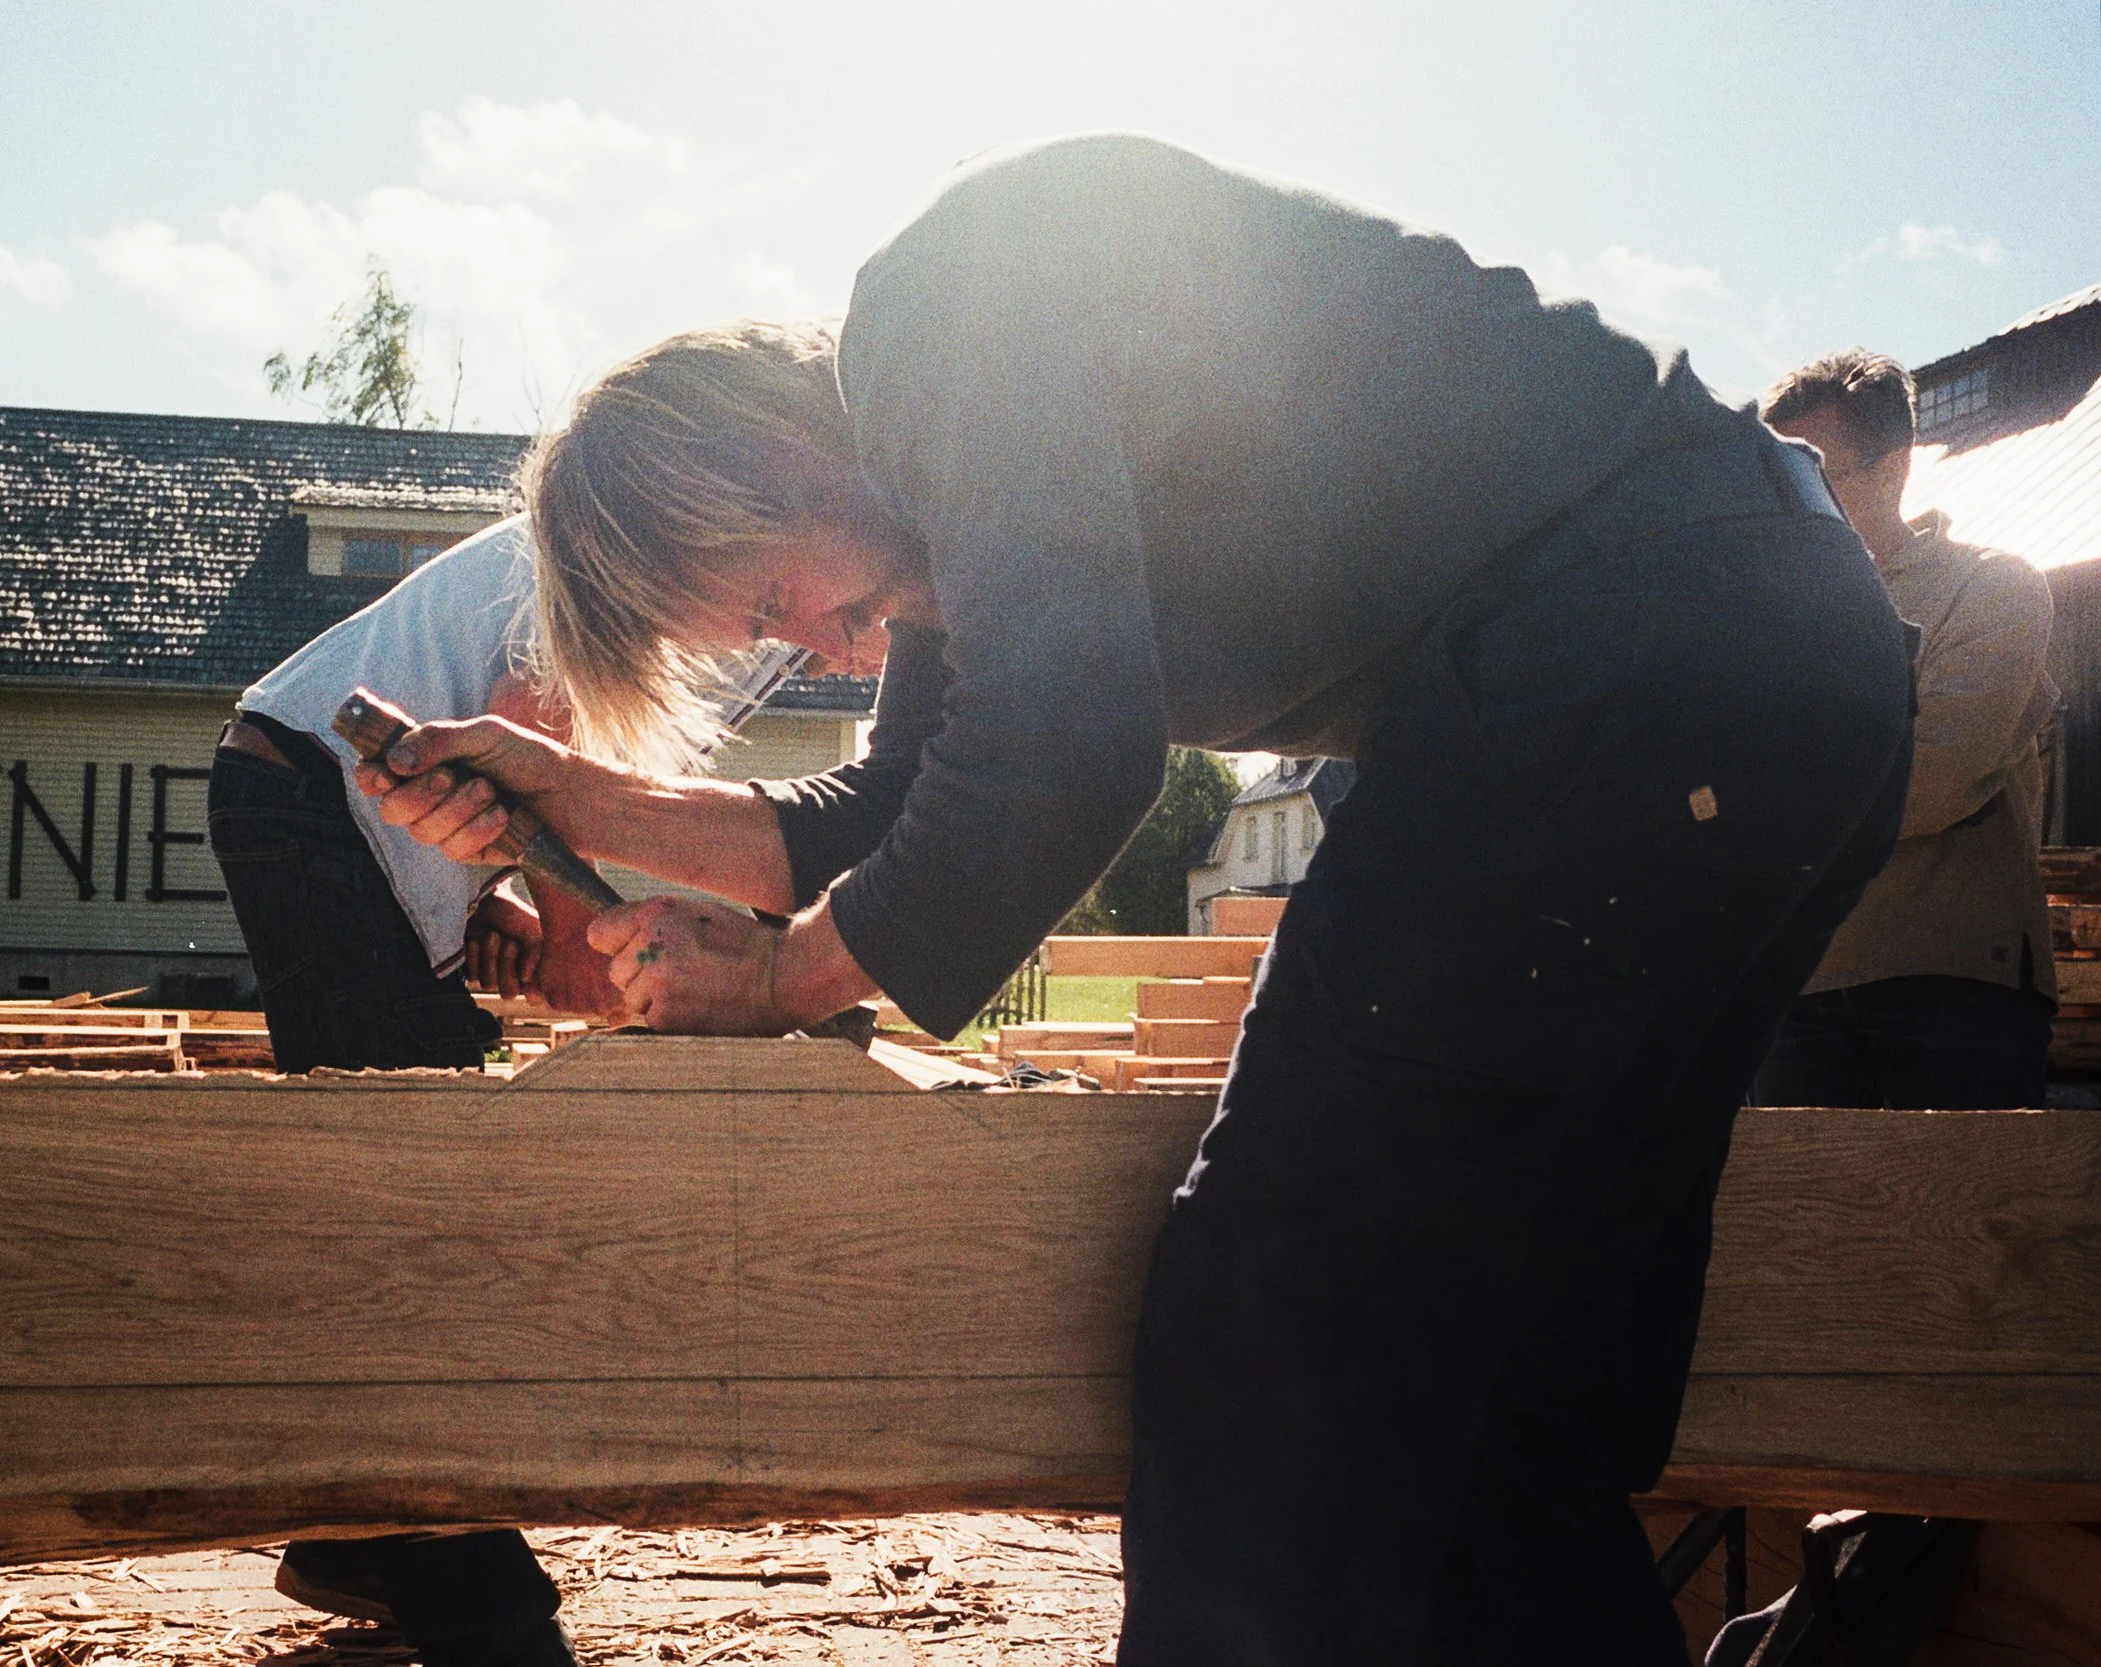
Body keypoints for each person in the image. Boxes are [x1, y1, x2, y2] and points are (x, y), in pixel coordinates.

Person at [362, 136, 1913, 1664]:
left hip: (1624, 644)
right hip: (1795, 651)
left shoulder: (940, 318)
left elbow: (1059, 750)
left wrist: (781, 982)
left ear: (769, 456)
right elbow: (895, 815)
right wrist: (585, 800)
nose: (822, 647)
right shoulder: (976, 494)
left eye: (774, 597)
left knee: (1269, 1325)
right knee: (1504, 1403)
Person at [208, 514, 616, 1667]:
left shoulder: (755, 550)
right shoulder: (731, 538)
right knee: (415, 1219)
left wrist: (475, 897)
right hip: (321, 800)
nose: (849, 654)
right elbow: (527, 720)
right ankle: (487, 1621)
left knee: (418, 1182)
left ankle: (354, 1543)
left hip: (354, 815)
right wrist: (582, 929)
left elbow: (523, 748)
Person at [1752, 350, 2058, 1109]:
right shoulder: (1764, 623)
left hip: (1951, 982)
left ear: (1893, 470)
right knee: (1799, 1224)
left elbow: (1939, 775)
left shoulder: (1993, 586)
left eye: (1809, 475)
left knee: (1961, 1223)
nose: (1782, 502)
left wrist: (1763, 801)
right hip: (1797, 983)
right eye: (1770, 478)